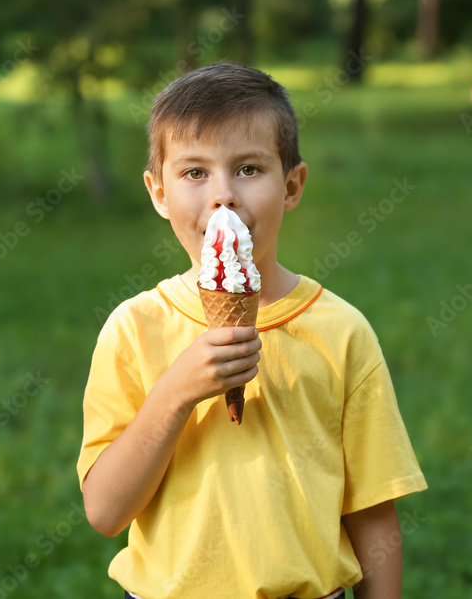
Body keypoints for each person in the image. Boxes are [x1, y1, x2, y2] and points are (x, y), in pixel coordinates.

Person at [77, 62, 427, 599]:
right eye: (194, 173)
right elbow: (105, 511)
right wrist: (175, 392)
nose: (223, 196)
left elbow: (374, 515)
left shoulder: (341, 332)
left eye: (248, 169)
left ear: (291, 186)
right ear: (158, 193)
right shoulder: (133, 329)